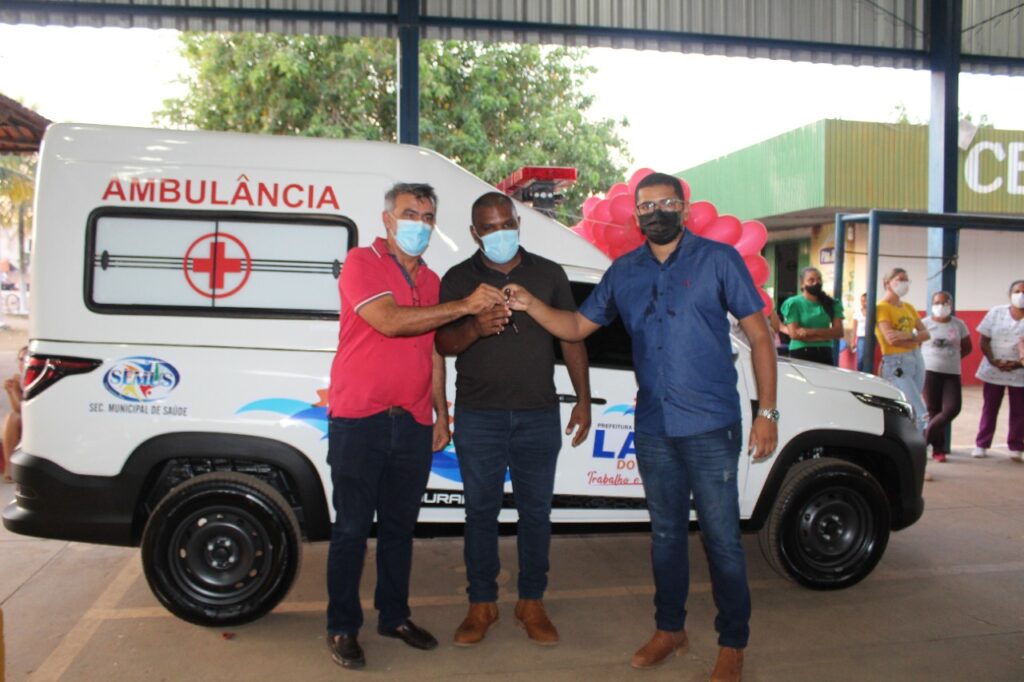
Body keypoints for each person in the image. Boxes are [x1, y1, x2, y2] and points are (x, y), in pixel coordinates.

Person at [505, 172, 777, 682]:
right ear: (635, 216)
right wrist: (532, 304)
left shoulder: (719, 260)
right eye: (646, 206)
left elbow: (760, 337)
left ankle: (732, 643)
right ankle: (670, 630)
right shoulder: (624, 272)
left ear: (684, 209)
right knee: (667, 535)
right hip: (654, 427)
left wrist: (768, 412)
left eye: (666, 203)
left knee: (721, 540)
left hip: (712, 425)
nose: (656, 213)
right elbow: (577, 326)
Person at [325, 183, 507, 670]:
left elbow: (432, 350)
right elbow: (389, 321)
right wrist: (465, 306)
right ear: (387, 220)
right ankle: (342, 626)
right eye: (410, 214)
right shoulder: (361, 262)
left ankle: (394, 616)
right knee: (351, 529)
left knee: (400, 529)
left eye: (427, 218)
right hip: (358, 419)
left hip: (411, 422)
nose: (419, 225)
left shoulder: (430, 280)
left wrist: (440, 413)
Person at [435, 192, 592, 647]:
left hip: (538, 413)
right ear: (475, 233)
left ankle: (531, 601)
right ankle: (481, 603)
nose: (500, 233)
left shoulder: (548, 273)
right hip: (479, 415)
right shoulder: (458, 278)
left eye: (507, 223)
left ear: (518, 222)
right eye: (489, 227)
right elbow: (442, 344)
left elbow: (572, 338)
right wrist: (474, 327)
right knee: (480, 513)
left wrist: (583, 400)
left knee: (536, 513)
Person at [971, 279, 1024, 461]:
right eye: (1017, 291)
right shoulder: (996, 312)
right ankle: (982, 444)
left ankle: (1016, 446)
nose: (1021, 295)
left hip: (1020, 372)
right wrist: (993, 360)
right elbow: (984, 339)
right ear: (1010, 294)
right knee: (990, 408)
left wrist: (1017, 364)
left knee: (1020, 411)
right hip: (993, 369)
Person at [875, 268, 930, 433]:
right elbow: (891, 338)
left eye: (907, 280)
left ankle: (907, 439)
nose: (904, 283)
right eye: (900, 279)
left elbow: (926, 334)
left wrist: (908, 335)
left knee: (909, 405)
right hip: (896, 360)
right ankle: (917, 443)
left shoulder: (908, 307)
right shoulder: (882, 308)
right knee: (919, 411)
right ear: (888, 283)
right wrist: (914, 337)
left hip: (916, 357)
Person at [921, 292, 972, 462]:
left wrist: (953, 358)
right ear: (932, 304)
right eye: (937, 302)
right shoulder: (924, 323)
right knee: (933, 410)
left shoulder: (959, 324)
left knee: (952, 408)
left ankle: (923, 439)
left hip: (952, 372)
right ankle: (938, 450)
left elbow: (967, 347)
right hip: (930, 371)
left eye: (945, 302)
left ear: (951, 304)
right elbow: (915, 346)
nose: (941, 306)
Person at [779, 267, 844, 365]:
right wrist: (825, 337)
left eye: (819, 279)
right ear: (802, 283)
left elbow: (839, 332)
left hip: (825, 351)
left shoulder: (832, 303)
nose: (816, 283)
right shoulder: (793, 303)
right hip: (801, 351)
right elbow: (794, 334)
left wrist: (808, 332)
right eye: (811, 280)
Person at [1, 346, 25, 483]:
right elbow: (17, 409)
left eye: (27, 359)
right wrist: (11, 392)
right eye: (21, 359)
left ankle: (9, 466)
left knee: (13, 417)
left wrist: (14, 390)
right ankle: (8, 464)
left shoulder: (37, 378)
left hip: (39, 419)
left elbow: (24, 410)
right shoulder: (18, 380)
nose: (24, 362)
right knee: (12, 417)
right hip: (23, 419)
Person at [853, 293, 871, 372]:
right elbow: (854, 327)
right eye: (861, 301)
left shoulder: (872, 311)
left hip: (871, 337)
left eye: (865, 301)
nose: (863, 303)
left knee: (869, 357)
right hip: (861, 337)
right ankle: (860, 372)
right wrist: (853, 340)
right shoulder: (857, 312)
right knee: (860, 358)